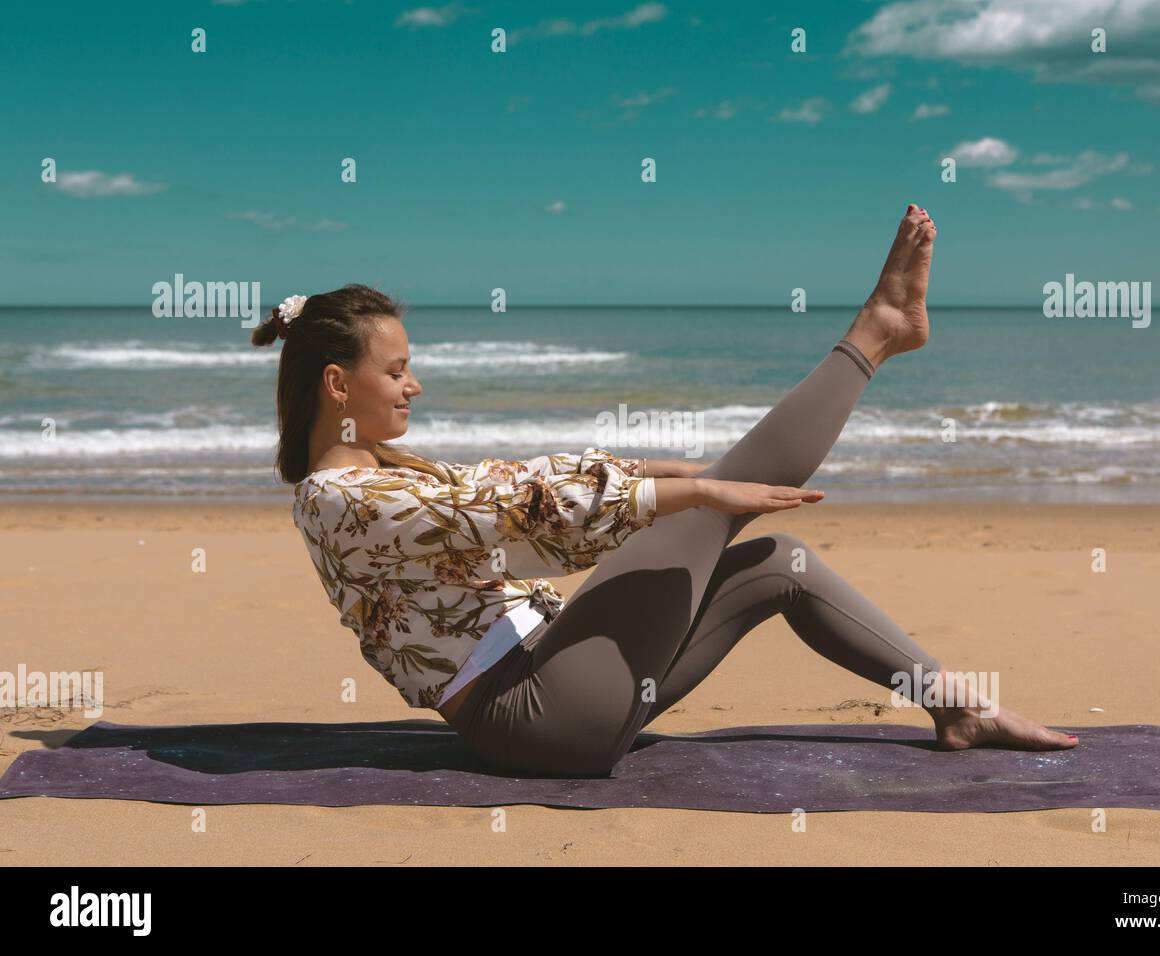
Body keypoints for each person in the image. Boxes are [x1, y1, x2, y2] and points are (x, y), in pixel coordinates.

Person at [255, 204, 1078, 778]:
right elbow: (514, 518)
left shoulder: (386, 475)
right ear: (337, 383)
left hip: (560, 686)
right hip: (532, 712)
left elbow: (509, 481)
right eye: (396, 371)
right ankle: (877, 332)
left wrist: (662, 474)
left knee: (776, 562)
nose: (414, 387)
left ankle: (954, 705)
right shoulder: (338, 499)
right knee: (726, 496)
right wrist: (693, 498)